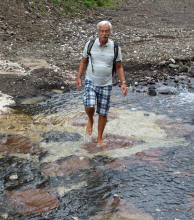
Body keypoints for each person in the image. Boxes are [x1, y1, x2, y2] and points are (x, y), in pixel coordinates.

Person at [76, 20, 127, 146]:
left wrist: (123, 83)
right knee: (89, 105)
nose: (104, 34)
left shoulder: (115, 47)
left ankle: (99, 138)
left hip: (106, 84)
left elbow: (119, 66)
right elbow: (83, 61)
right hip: (91, 81)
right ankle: (90, 119)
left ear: (110, 32)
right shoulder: (90, 44)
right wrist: (78, 77)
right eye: (102, 31)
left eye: (107, 31)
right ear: (98, 32)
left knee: (103, 112)